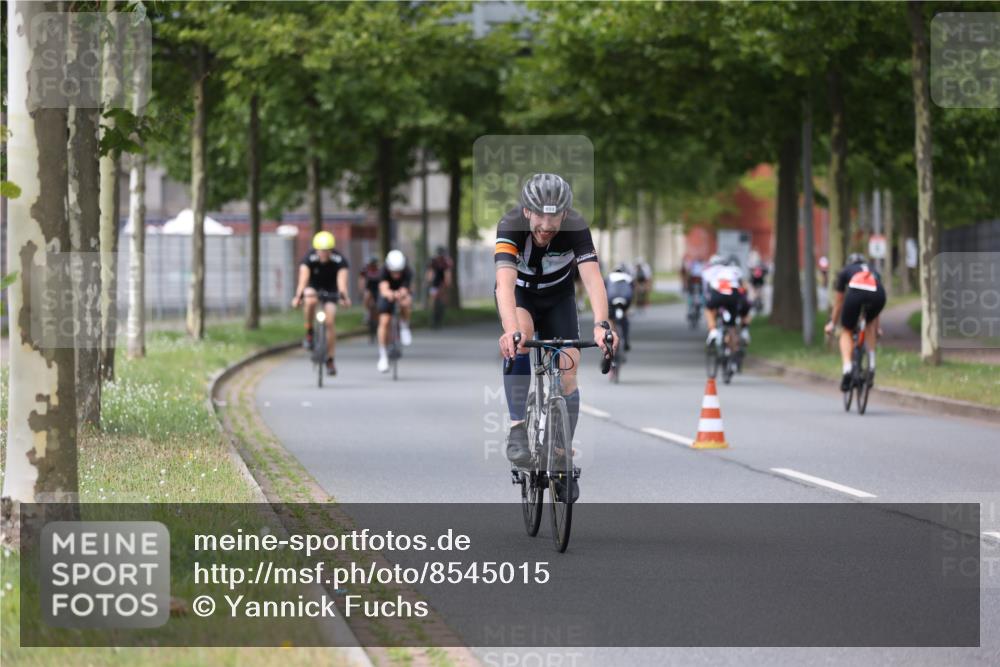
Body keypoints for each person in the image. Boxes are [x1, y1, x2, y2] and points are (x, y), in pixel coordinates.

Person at [496, 173, 617, 501]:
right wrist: (511, 331)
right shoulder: (510, 227)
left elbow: (592, 280)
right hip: (522, 297)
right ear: (527, 212)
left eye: (555, 216)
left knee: (568, 367)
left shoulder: (576, 227)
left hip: (558, 297)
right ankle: (518, 428)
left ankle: (561, 456)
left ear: (566, 213)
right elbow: (504, 284)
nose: (547, 224)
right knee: (522, 340)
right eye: (541, 215)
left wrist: (602, 324)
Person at [825, 253, 887, 391]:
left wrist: (832, 324)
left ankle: (847, 367)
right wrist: (878, 329)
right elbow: (875, 314)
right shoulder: (873, 270)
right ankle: (871, 363)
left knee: (846, 330)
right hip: (879, 295)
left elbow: (839, 301)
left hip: (856, 294)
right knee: (869, 324)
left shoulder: (845, 271)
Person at [291, 231, 351, 376]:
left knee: (330, 321)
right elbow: (303, 280)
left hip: (331, 289)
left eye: (326, 251)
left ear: (331, 250)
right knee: (310, 300)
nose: (323, 254)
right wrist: (298, 297)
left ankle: (330, 359)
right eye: (321, 251)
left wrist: (344, 297)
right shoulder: (309, 258)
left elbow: (342, 283)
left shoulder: (339, 260)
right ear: (316, 249)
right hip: (314, 287)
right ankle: (309, 331)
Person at [376, 249, 413, 373]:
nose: (396, 274)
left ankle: (404, 326)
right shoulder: (383, 271)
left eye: (399, 271)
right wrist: (390, 294)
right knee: (384, 321)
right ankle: (383, 355)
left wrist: (401, 294)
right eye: (394, 271)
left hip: (402, 292)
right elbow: (383, 288)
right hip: (388, 294)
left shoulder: (407, 271)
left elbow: (406, 288)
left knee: (406, 302)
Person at [702, 254, 750, 346]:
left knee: (709, 309)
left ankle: (713, 331)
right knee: (732, 326)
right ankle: (734, 352)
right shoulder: (734, 270)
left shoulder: (710, 271)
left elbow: (706, 288)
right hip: (733, 295)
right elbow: (744, 286)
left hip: (718, 293)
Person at [605, 262, 634, 351]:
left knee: (609, 318)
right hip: (625, 299)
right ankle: (626, 340)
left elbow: (604, 291)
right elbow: (632, 292)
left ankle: (609, 336)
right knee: (625, 317)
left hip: (611, 299)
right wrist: (629, 308)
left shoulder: (608, 277)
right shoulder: (629, 278)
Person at [426, 245, 453, 327]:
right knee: (433, 300)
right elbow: (429, 273)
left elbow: (447, 275)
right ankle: (433, 318)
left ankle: (440, 317)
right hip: (434, 283)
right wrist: (428, 282)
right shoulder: (432, 261)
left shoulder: (446, 262)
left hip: (442, 284)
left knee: (442, 300)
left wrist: (447, 285)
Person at [358, 255, 382, 343]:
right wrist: (361, 291)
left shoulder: (380, 270)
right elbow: (361, 281)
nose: (372, 265)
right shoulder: (365, 270)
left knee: (380, 302)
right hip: (369, 288)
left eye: (373, 264)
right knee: (366, 295)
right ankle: (366, 313)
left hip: (378, 289)